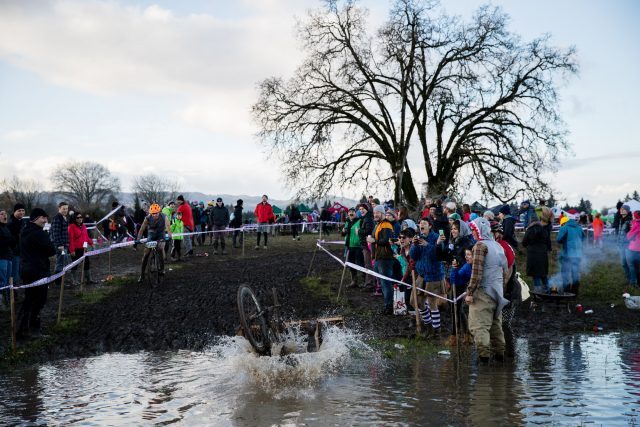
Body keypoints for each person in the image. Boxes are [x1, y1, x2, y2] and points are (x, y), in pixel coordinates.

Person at [465, 217, 509, 364]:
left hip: (483, 292)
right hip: (498, 293)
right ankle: (500, 359)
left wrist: (470, 292)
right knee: (496, 326)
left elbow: (476, 273)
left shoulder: (480, 246)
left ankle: (484, 362)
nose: (472, 233)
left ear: (479, 230)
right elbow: (505, 271)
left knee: (479, 327)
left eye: (473, 230)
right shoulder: (498, 246)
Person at [17, 208, 56, 338]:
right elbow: (52, 250)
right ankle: (34, 329)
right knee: (39, 300)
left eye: (45, 218)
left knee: (29, 299)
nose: (45, 221)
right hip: (38, 270)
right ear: (35, 218)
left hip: (26, 269)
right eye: (42, 218)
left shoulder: (24, 231)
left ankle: (21, 328)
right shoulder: (39, 233)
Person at [409, 216, 445, 337]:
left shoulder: (436, 237)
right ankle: (428, 324)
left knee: (432, 303)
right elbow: (413, 256)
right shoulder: (419, 238)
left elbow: (438, 256)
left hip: (434, 274)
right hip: (422, 274)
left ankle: (436, 330)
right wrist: (414, 245)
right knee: (415, 301)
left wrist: (427, 245)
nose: (421, 225)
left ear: (430, 226)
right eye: (420, 223)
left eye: (424, 223)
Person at [366, 205, 395, 314]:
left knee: (386, 283)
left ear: (382, 213)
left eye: (377, 213)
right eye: (374, 213)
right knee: (381, 283)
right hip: (378, 257)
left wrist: (374, 241)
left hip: (385, 258)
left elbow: (387, 241)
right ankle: (387, 305)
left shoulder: (386, 224)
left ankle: (389, 307)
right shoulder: (378, 224)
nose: (375, 215)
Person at [136, 203, 171, 283]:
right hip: (151, 233)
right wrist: (138, 239)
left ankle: (162, 269)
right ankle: (142, 275)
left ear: (159, 212)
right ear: (150, 213)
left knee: (160, 248)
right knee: (146, 254)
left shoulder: (164, 217)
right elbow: (141, 229)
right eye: (153, 214)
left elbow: (168, 227)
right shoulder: (147, 218)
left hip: (160, 234)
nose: (154, 215)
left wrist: (169, 236)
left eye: (156, 213)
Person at [449, 248, 473, 346]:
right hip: (466, 290)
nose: (466, 257)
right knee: (460, 310)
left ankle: (461, 336)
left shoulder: (474, 266)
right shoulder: (467, 266)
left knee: (458, 310)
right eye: (465, 254)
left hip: (466, 289)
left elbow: (456, 279)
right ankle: (467, 335)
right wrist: (454, 269)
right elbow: (455, 279)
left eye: (469, 254)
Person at [556, 215, 585, 294]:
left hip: (568, 254)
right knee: (575, 272)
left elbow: (558, 239)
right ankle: (575, 292)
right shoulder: (579, 227)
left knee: (565, 272)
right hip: (578, 254)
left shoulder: (564, 227)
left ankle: (566, 291)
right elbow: (583, 238)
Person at [522, 215, 551, 292]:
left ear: (531, 221)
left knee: (536, 275)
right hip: (543, 254)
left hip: (533, 255)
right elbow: (548, 243)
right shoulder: (544, 230)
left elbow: (524, 243)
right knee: (543, 274)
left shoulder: (529, 230)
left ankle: (538, 294)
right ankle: (548, 291)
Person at [68, 212, 95, 286]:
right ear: (74, 218)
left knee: (86, 263)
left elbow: (86, 236)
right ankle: (74, 280)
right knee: (75, 264)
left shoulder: (83, 226)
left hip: (84, 248)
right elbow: (71, 239)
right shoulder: (71, 226)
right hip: (76, 249)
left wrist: (91, 243)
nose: (80, 219)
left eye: (81, 217)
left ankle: (89, 279)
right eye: (78, 217)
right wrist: (72, 250)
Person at [50, 201, 70, 288]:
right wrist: (60, 245)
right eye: (63, 209)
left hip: (65, 245)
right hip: (60, 246)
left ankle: (61, 281)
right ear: (59, 209)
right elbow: (55, 233)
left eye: (66, 209)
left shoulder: (64, 218)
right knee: (60, 263)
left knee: (64, 262)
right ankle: (58, 282)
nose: (65, 210)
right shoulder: (57, 218)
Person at [342, 208, 364, 288]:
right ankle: (354, 281)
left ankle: (364, 281)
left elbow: (363, 232)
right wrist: (343, 232)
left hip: (358, 246)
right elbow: (344, 234)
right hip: (349, 246)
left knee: (361, 264)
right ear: (348, 214)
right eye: (349, 212)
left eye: (353, 212)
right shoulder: (347, 222)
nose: (351, 213)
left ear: (355, 213)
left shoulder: (360, 221)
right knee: (351, 264)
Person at [8, 203, 27, 284]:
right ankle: (12, 293)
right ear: (14, 211)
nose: (21, 212)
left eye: (23, 210)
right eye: (19, 211)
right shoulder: (10, 224)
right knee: (14, 274)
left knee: (19, 273)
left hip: (22, 253)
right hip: (14, 253)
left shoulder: (23, 223)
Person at [357, 203, 375, 287]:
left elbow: (369, 231)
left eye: (362, 209)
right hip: (364, 244)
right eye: (360, 209)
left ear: (367, 209)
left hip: (367, 245)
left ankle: (369, 284)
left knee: (368, 264)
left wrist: (359, 231)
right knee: (367, 263)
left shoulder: (368, 218)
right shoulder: (365, 218)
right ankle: (368, 282)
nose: (361, 211)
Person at [615, 204, 633, 283]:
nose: (621, 210)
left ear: (628, 211)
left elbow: (633, 234)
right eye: (621, 209)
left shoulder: (630, 221)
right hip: (621, 245)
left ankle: (633, 280)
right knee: (623, 264)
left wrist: (630, 242)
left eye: (624, 209)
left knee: (630, 264)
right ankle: (628, 278)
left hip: (628, 245)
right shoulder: (620, 220)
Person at [0, 209, 14, 308]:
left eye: (5, 214)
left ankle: (7, 300)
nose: (5, 216)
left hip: (9, 257)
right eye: (2, 214)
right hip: (1, 258)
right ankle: (1, 303)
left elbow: (11, 241)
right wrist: (9, 241)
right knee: (2, 280)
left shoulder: (6, 227)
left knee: (8, 280)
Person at [626, 211, 640, 286]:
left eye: (633, 216)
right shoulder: (636, 223)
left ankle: (633, 282)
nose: (633, 217)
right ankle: (638, 282)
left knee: (631, 266)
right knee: (637, 266)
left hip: (634, 248)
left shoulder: (637, 225)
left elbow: (629, 236)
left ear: (636, 216)